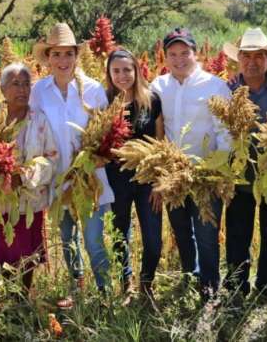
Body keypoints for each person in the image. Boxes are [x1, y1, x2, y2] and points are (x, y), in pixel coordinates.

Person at [29, 23, 114, 307]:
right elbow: (35, 133)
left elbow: (105, 133)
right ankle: (76, 288)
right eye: (56, 54)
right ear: (48, 58)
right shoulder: (39, 91)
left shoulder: (93, 89)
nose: (63, 61)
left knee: (93, 239)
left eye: (68, 54)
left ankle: (105, 293)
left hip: (90, 179)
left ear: (77, 56)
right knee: (67, 238)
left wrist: (98, 154)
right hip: (58, 179)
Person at [150, 27, 232, 297]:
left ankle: (210, 286)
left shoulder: (215, 86)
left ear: (196, 54)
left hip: (205, 174)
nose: (179, 59)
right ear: (165, 57)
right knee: (181, 230)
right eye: (172, 53)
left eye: (185, 53)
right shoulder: (158, 86)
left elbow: (225, 133)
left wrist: (219, 171)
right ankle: (190, 274)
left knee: (207, 233)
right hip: (174, 174)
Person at [222, 28, 267, 303]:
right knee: (238, 233)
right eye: (246, 56)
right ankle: (237, 285)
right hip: (239, 175)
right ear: (238, 59)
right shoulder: (227, 90)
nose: (252, 62)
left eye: (258, 56)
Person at [0, 63, 59, 295]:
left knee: (27, 252)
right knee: (1, 248)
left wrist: (23, 177)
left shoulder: (39, 120)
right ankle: (4, 294)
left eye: (26, 84)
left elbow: (51, 157)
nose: (22, 89)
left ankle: (23, 295)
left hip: (29, 201)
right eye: (16, 84)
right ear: (3, 89)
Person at [103, 49, 164, 299]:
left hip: (147, 179)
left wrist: (160, 181)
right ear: (109, 73)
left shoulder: (152, 100)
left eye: (127, 70)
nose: (122, 75)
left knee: (153, 239)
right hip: (116, 180)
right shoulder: (104, 101)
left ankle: (147, 282)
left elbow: (161, 144)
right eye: (116, 71)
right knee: (119, 234)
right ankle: (125, 280)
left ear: (137, 71)